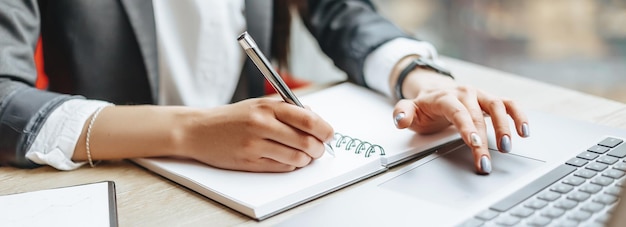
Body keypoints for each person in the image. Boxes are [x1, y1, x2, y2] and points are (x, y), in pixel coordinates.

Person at [0, 0, 528, 174]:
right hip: (123, 180)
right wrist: (189, 132)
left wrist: (418, 75)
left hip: (267, 182)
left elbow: (340, 9)